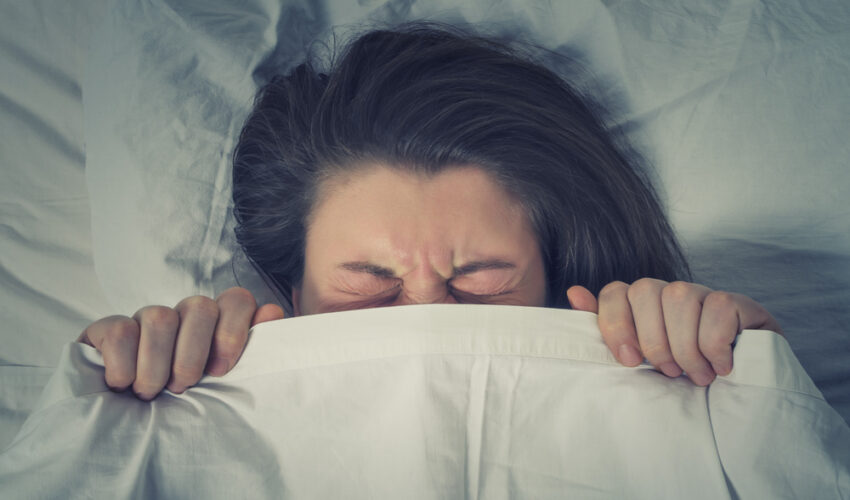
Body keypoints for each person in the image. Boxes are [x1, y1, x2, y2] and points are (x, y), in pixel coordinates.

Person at [78, 23, 782, 401]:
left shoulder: (671, 385)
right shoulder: (201, 398)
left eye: (479, 275)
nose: (421, 308)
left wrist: (743, 368)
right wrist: (128, 389)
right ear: (292, 292)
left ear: (554, 281)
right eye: (368, 278)